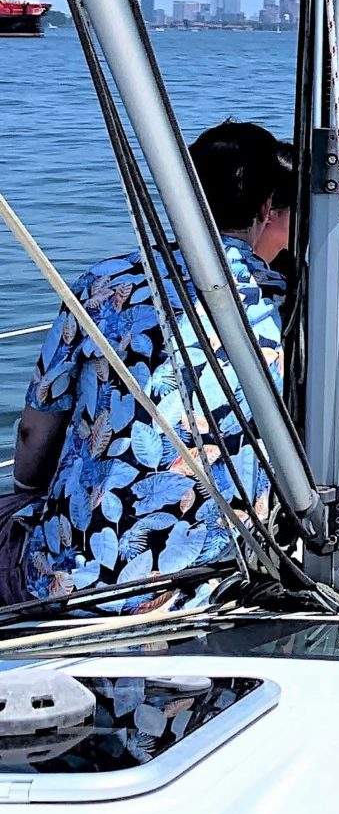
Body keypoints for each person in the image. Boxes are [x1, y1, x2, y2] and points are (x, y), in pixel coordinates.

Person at [6, 122, 293, 610]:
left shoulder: (103, 283)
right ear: (267, 209)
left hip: (76, 579)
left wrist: (25, 496)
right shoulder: (284, 303)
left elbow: (36, 430)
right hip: (212, 579)